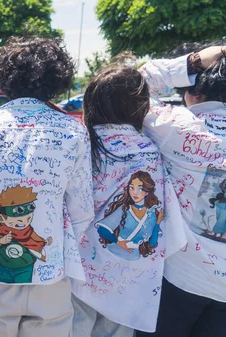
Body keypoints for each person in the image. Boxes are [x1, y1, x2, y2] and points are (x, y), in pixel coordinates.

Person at [0, 36, 95, 337]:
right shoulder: (74, 131)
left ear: (5, 78)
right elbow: (82, 211)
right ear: (58, 79)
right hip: (50, 275)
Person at [70, 62, 186, 337]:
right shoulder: (150, 149)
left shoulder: (83, 142)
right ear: (141, 106)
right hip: (129, 278)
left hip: (80, 270)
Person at [135, 45, 226, 337]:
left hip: (180, 277)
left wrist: (194, 61)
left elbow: (131, 85)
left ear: (193, 94)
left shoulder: (179, 126)